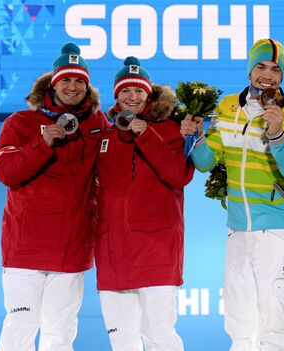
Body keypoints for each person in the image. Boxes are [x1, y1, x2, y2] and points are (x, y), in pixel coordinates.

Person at [180, 38, 284, 350]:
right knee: (239, 321)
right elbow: (207, 162)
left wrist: (278, 134)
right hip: (237, 231)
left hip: (276, 231)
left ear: (282, 77)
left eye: (276, 69)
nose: (268, 74)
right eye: (261, 66)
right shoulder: (227, 108)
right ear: (250, 70)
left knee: (275, 321)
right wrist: (196, 137)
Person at [0, 42, 107, 350]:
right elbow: (7, 173)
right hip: (25, 249)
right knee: (20, 327)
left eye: (80, 81)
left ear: (87, 86)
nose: (73, 87)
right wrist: (41, 144)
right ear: (53, 83)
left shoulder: (98, 124)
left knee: (60, 334)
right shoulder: (19, 123)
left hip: (71, 248)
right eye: (66, 80)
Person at [94, 56, 194, 350]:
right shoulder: (105, 133)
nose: (132, 96)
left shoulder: (171, 129)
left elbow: (179, 175)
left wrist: (145, 134)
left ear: (149, 94)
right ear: (116, 96)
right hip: (113, 251)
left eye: (139, 90)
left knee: (160, 338)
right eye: (126, 90)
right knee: (122, 341)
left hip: (157, 251)